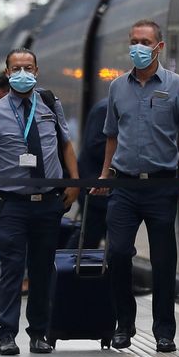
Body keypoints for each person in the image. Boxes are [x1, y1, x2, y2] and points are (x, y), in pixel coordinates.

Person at [91, 20, 179, 353]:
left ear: (159, 46)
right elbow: (111, 136)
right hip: (125, 186)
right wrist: (104, 175)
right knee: (116, 253)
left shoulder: (178, 87)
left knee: (163, 259)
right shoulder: (117, 87)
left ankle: (164, 331)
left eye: (144, 41)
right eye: (133, 41)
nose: (137, 47)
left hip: (161, 186)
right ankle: (123, 325)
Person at [0, 47, 79, 356]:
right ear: (7, 73)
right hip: (12, 204)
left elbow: (66, 144)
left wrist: (74, 183)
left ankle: (39, 333)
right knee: (12, 270)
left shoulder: (49, 104)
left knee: (43, 270)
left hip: (48, 202)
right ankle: (7, 334)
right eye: (16, 68)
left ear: (36, 70)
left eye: (28, 67)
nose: (22, 73)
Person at [66, 97, 109, 249]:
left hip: (101, 185)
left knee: (95, 235)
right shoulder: (105, 109)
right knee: (89, 235)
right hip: (94, 184)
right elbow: (95, 145)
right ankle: (64, 270)